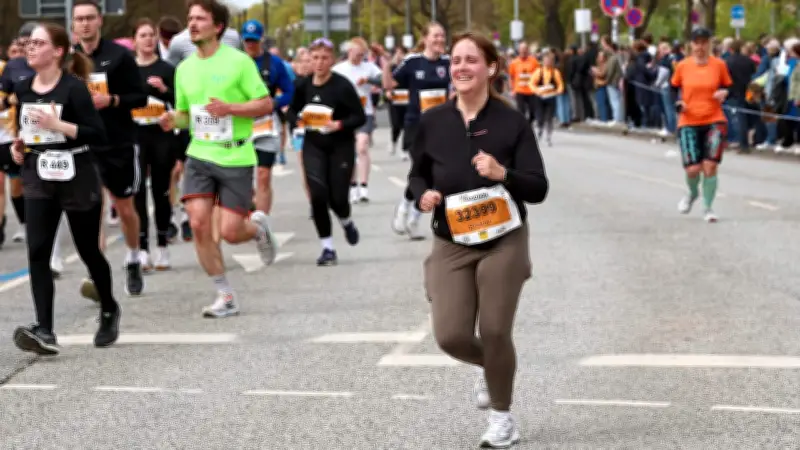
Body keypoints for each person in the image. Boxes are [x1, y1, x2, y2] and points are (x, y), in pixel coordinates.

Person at [409, 31, 548, 449]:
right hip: (452, 239)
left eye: (471, 60)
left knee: (494, 329)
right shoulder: (433, 121)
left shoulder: (511, 122)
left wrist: (503, 174)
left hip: (504, 238)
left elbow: (538, 187)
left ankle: (502, 419)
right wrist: (423, 195)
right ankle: (491, 368)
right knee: (450, 335)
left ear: (490, 68)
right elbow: (417, 174)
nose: (461, 68)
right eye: (455, 61)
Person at [158, 0, 278, 318]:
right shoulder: (184, 69)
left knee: (231, 232)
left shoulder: (239, 62)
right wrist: (172, 120)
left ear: (218, 26)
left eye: (200, 19)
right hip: (199, 153)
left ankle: (257, 229)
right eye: (190, 19)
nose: (192, 24)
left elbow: (265, 104)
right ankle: (225, 295)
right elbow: (186, 115)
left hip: (235, 154)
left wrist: (230, 109)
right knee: (198, 223)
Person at [11, 22, 121, 355]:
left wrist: (58, 125)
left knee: (88, 250)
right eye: (29, 43)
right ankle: (44, 329)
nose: (30, 48)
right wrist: (20, 147)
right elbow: (29, 132)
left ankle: (108, 308)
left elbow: (98, 134)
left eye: (38, 43)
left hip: (76, 174)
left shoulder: (73, 89)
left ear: (58, 51)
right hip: (39, 174)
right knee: (38, 251)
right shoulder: (24, 88)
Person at [72, 0, 148, 299]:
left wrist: (112, 100)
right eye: (80, 19)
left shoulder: (120, 56)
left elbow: (140, 98)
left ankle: (133, 257)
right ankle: (96, 273)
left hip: (118, 143)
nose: (85, 24)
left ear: (100, 21)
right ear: (73, 24)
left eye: (90, 18)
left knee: (125, 208)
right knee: (93, 210)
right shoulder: (69, 59)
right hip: (85, 144)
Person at [288, 38, 365, 266]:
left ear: (332, 60)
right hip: (314, 146)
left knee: (338, 199)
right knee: (318, 196)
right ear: (309, 60)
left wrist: (338, 125)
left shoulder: (342, 86)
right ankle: (327, 248)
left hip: (340, 147)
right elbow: (291, 111)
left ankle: (346, 221)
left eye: (324, 58)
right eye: (315, 58)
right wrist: (297, 121)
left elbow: (359, 117)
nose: (319, 63)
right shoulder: (303, 86)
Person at [382, 23, 450, 240]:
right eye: (435, 36)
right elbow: (390, 84)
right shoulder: (413, 62)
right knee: (420, 168)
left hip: (441, 126)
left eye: (442, 36)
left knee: (434, 174)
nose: (440, 39)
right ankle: (404, 207)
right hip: (416, 124)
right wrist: (386, 66)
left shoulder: (448, 63)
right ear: (425, 38)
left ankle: (414, 216)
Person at [671, 27, 733, 223]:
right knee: (693, 169)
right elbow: (672, 88)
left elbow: (730, 86)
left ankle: (707, 208)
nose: (700, 47)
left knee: (710, 166)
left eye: (704, 42)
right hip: (688, 120)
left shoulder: (719, 65)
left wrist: (725, 93)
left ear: (710, 44)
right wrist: (678, 103)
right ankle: (692, 193)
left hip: (714, 119)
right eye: (696, 43)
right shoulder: (683, 66)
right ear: (691, 45)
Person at [132, 18, 177, 271]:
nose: (148, 39)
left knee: (161, 191)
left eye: (152, 35)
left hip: (161, 135)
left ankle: (162, 246)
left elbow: (179, 101)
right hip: (136, 134)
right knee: (137, 191)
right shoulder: (127, 69)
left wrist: (163, 90)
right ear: (135, 41)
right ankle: (142, 249)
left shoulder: (167, 69)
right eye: (143, 35)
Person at [240, 19, 294, 216]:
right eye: (247, 41)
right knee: (243, 177)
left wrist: (275, 103)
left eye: (254, 41)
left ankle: (262, 223)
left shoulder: (275, 63)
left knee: (263, 175)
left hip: (266, 123)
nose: (251, 45)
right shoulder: (235, 62)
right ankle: (249, 207)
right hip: (240, 123)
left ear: (261, 39)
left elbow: (289, 91)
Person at [0, 23, 38, 248]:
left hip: (43, 132)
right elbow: (3, 99)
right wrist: (7, 100)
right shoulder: (12, 67)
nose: (24, 49)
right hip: (16, 134)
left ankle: (34, 222)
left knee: (29, 184)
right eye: (21, 44)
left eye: (29, 43)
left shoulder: (48, 63)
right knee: (14, 184)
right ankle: (22, 224)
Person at [333, 37, 382, 204]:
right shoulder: (339, 69)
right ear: (349, 51)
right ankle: (353, 185)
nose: (360, 57)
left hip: (364, 112)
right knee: (349, 151)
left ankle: (364, 186)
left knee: (362, 146)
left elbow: (383, 81)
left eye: (363, 55)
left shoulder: (369, 67)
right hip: (346, 114)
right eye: (358, 54)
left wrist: (368, 80)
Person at [530, 49, 564, 146]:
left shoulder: (555, 72)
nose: (548, 62)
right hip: (540, 97)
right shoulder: (538, 71)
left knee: (549, 117)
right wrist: (537, 90)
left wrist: (558, 91)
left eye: (550, 61)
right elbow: (531, 83)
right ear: (543, 61)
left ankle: (549, 136)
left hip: (551, 96)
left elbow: (560, 84)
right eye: (546, 60)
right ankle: (540, 129)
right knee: (540, 117)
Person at [385, 46, 409, 155]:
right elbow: (385, 81)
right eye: (397, 53)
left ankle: (404, 148)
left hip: (407, 97)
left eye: (401, 53)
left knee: (406, 124)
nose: (399, 55)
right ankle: (393, 142)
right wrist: (387, 91)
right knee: (396, 124)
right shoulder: (391, 67)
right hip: (394, 98)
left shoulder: (409, 66)